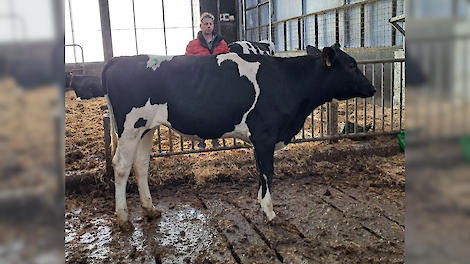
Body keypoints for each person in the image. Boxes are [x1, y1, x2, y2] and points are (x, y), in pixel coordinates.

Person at [185, 12, 229, 148]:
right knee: (200, 111)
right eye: (206, 24)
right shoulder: (192, 45)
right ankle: (201, 139)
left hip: (218, 83)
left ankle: (216, 139)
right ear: (201, 26)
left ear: (213, 26)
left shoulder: (221, 43)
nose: (208, 26)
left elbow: (228, 61)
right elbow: (187, 63)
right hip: (200, 83)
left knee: (217, 111)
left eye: (210, 24)